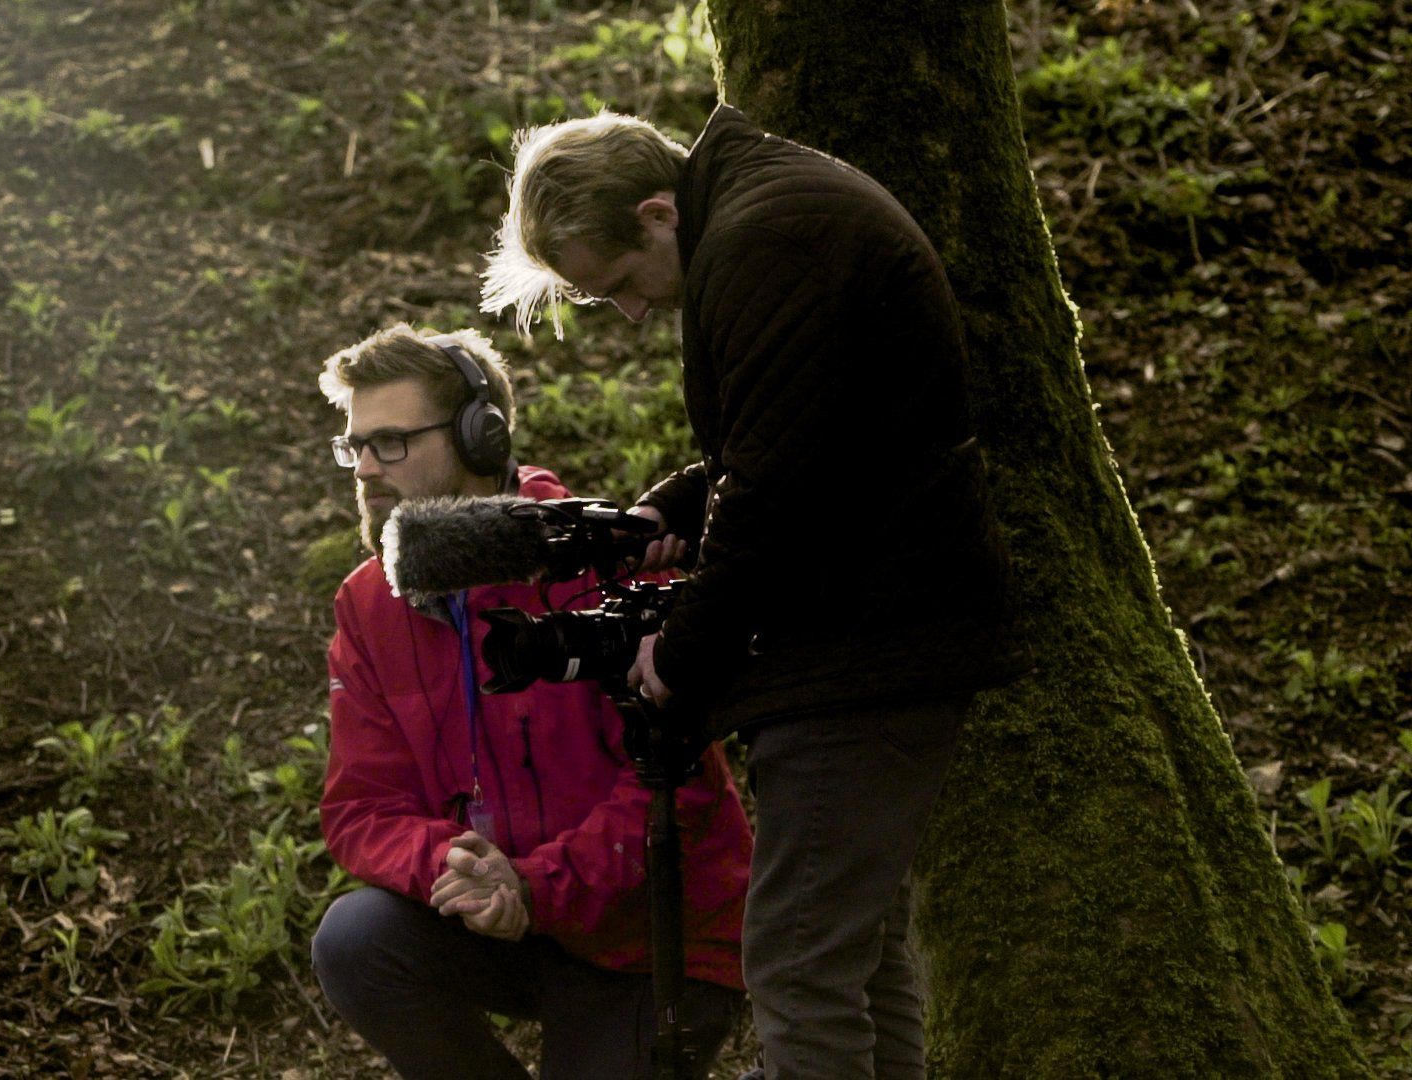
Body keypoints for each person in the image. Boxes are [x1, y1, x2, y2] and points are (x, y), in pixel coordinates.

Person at [481, 108, 1029, 1079]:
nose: (634, 313)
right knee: (855, 953)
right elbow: (800, 439)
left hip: (865, 645)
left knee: (796, 960)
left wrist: (682, 648)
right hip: (881, 627)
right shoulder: (769, 212)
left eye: (622, 284)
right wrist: (672, 510)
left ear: (657, 213)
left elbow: (775, 491)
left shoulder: (765, 240)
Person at [310, 323, 757, 1079]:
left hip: (651, 943)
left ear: (479, 438)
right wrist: (453, 863)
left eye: (391, 443)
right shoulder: (368, 603)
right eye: (355, 447)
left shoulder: (600, 560)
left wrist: (533, 885)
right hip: (512, 923)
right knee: (356, 939)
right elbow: (362, 807)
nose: (367, 469)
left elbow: (676, 787)